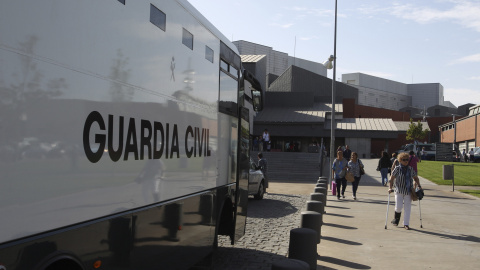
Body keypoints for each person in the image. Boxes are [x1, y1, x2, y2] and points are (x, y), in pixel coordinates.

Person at [389, 152, 422, 230]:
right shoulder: (397, 168)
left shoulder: (410, 169)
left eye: (407, 159)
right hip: (399, 190)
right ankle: (396, 219)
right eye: (404, 160)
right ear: (400, 160)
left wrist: (419, 185)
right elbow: (392, 178)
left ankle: (406, 224)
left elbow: (416, 178)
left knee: (408, 207)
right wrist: (390, 188)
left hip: (408, 191)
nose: (406, 161)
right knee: (399, 207)